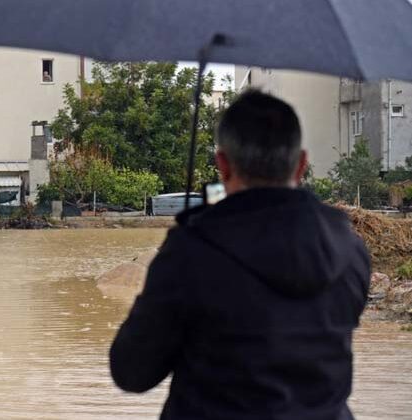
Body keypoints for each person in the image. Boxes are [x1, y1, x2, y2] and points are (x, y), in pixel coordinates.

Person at [110, 91, 370, 420]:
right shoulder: (351, 249)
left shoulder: (192, 252)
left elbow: (131, 372)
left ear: (222, 165)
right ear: (301, 164)